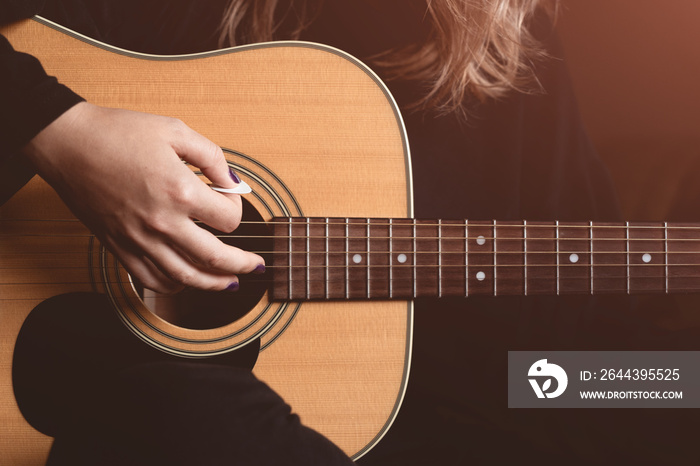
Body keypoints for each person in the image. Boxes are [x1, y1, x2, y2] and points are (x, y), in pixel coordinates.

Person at [5, 1, 688, 465]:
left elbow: (557, 371)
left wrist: (674, 383)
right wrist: (62, 134)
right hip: (162, 422)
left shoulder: (513, 44)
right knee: (191, 419)